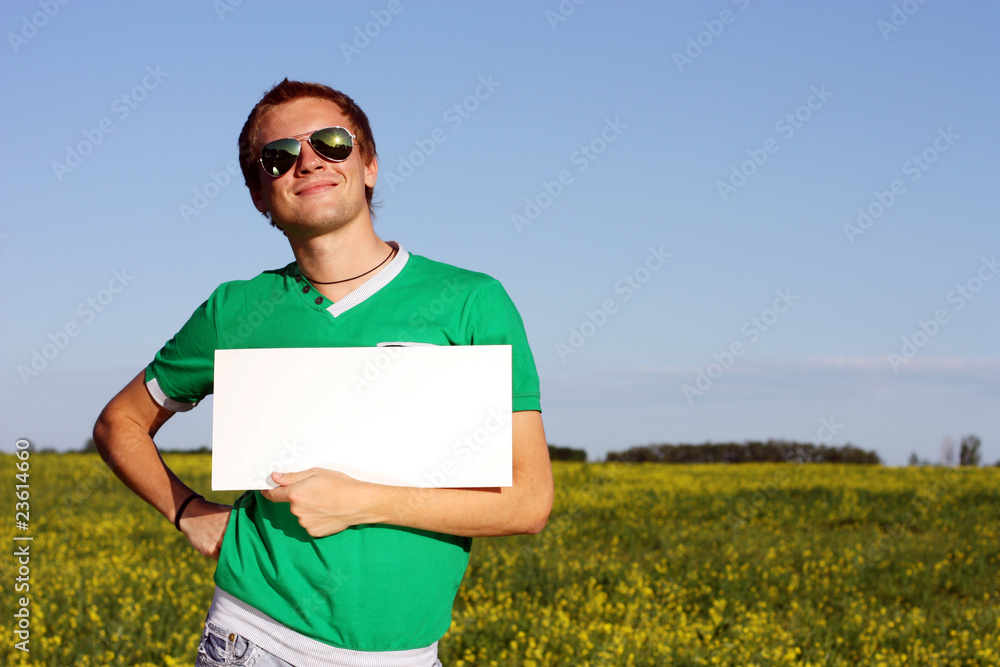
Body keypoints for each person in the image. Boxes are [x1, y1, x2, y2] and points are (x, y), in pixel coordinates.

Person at [93, 78, 554, 667]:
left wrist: (362, 501)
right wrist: (188, 513)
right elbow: (120, 423)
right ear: (260, 195)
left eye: (331, 142)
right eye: (278, 157)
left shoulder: (472, 302)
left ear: (370, 166)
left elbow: (529, 501)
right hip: (254, 639)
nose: (308, 160)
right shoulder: (234, 310)